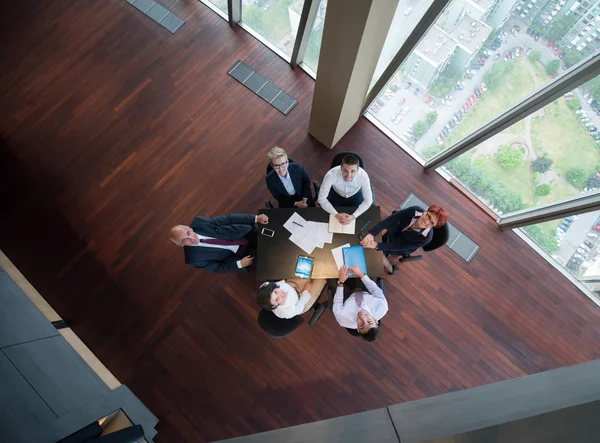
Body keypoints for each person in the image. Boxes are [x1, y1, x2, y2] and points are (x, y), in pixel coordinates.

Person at [360, 205, 448, 274]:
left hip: (402, 244)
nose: (426, 221)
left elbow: (401, 246)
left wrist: (377, 245)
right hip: (397, 229)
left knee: (377, 252)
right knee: (375, 236)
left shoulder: (426, 238)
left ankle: (391, 269)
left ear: (434, 226)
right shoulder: (415, 210)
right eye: (428, 216)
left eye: (431, 223)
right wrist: (372, 234)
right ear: (425, 212)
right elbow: (393, 218)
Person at [169, 213, 269, 273]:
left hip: (244, 233)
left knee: (275, 237)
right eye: (184, 240)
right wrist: (239, 264)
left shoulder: (200, 223)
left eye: (188, 233)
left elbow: (229, 219)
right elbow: (218, 268)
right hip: (240, 255)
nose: (191, 238)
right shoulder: (194, 259)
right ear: (180, 245)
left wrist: (256, 218)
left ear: (189, 228)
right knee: (269, 258)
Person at [330, 265, 387, 342]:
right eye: (369, 321)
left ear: (357, 329)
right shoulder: (382, 306)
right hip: (365, 290)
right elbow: (375, 290)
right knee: (365, 266)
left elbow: (337, 302)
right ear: (375, 320)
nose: (363, 317)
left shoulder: (343, 319)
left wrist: (341, 282)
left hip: (346, 296)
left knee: (332, 273)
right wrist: (361, 274)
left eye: (361, 325)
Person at [317, 154, 372, 225]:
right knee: (327, 218)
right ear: (340, 168)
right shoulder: (331, 175)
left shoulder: (363, 176)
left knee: (360, 220)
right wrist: (336, 215)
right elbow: (321, 199)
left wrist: (353, 216)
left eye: (352, 171)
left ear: (358, 170)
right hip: (335, 194)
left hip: (355, 195)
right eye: (345, 170)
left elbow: (368, 201)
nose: (348, 176)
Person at [257, 279, 327, 319]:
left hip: (293, 291)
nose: (281, 294)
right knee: (322, 279)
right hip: (300, 303)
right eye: (277, 299)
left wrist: (286, 283)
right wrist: (306, 290)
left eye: (276, 291)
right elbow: (300, 305)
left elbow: (275, 284)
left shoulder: (266, 287)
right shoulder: (288, 311)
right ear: (274, 306)